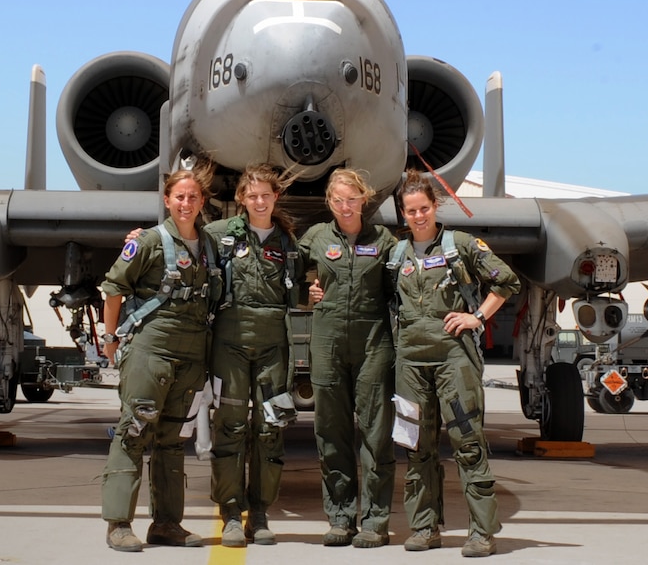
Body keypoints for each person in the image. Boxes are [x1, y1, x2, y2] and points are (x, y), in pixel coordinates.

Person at [388, 172, 519, 558]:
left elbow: (507, 281)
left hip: (453, 359)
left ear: (435, 207)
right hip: (410, 361)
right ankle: (425, 527)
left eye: (424, 208)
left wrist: (476, 316)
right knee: (416, 445)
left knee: (468, 442)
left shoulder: (460, 246)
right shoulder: (397, 255)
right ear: (403, 213)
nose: (418, 216)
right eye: (411, 211)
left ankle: (482, 531)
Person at [97, 165, 222, 552]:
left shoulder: (210, 244)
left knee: (172, 440)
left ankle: (167, 523)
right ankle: (118, 523)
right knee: (134, 430)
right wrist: (109, 337)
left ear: (202, 202)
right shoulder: (148, 241)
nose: (186, 203)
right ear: (167, 200)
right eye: (179, 197)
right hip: (151, 348)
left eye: (193, 197)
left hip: (191, 354)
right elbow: (114, 287)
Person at [203, 164, 304, 547]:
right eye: (252, 195)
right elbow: (181, 244)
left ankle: (259, 512)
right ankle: (230, 511)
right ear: (241, 198)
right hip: (228, 343)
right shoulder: (216, 236)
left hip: (273, 347)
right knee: (229, 426)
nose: (259, 201)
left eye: (266, 195)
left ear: (275, 197)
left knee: (270, 428)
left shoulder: (290, 243)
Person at [301, 168, 401, 547]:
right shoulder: (315, 238)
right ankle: (341, 517)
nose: (346, 206)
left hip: (374, 342)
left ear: (365, 199)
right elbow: (282, 273)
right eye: (338, 200)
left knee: (376, 433)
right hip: (327, 343)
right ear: (330, 202)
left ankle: (376, 521)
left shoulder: (385, 241)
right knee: (331, 432)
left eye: (352, 199)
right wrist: (306, 294)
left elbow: (404, 284)